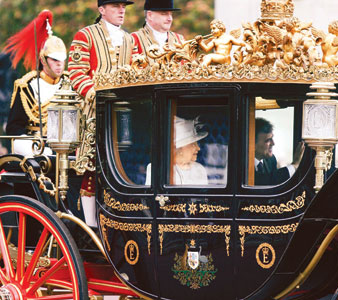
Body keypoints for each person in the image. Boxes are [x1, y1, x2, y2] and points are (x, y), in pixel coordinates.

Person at [68, 0, 137, 227]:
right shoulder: (85, 35)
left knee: (122, 167)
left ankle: (116, 220)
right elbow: (76, 73)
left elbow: (138, 73)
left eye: (123, 6)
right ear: (101, 10)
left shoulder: (130, 39)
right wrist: (97, 95)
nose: (122, 10)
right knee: (92, 169)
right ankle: (90, 226)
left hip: (123, 113)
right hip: (93, 113)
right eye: (116, 6)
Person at [4, 10, 68, 156]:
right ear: (43, 60)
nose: (59, 65)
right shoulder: (27, 85)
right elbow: (14, 127)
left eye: (62, 60)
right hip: (35, 147)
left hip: (65, 145)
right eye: (55, 60)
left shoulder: (69, 83)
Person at [145, 117, 208, 185]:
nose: (198, 148)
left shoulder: (199, 170)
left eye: (197, 144)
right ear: (179, 149)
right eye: (193, 145)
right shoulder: (157, 169)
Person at [254, 117, 304, 185]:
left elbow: (275, 186)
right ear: (252, 144)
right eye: (268, 140)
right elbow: (265, 182)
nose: (273, 143)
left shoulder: (271, 160)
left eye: (272, 138)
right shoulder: (241, 165)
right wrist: (294, 165)